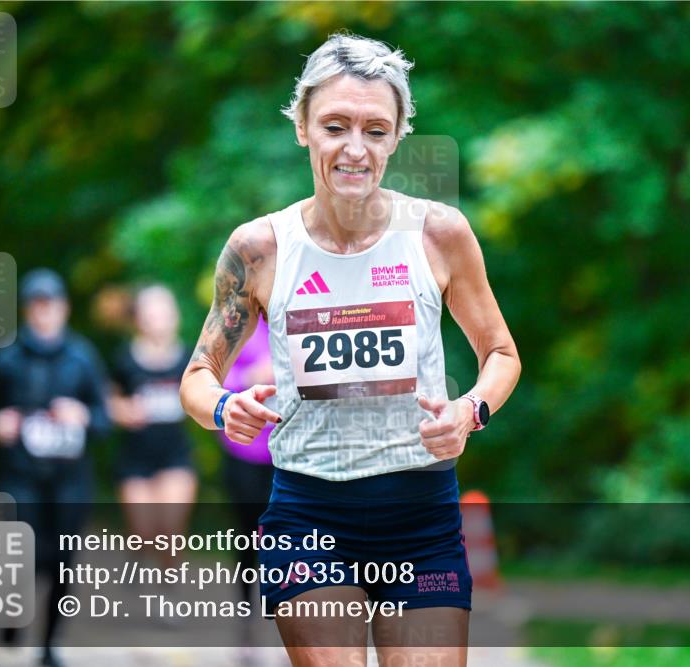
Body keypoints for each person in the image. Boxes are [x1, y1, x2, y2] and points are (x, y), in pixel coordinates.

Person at [180, 33, 521, 667]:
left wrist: (470, 411)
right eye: (335, 126)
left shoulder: (438, 233)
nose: (355, 148)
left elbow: (501, 354)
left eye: (375, 130)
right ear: (302, 127)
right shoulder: (260, 248)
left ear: (396, 138)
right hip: (308, 513)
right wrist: (225, 407)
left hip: (421, 516)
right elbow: (198, 376)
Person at [0, 268, 111, 667]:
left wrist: (82, 416)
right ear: (26, 310)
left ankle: (49, 645)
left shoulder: (83, 358)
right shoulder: (6, 358)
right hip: (21, 476)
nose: (44, 313)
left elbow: (104, 420)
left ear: (64, 309)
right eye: (36, 306)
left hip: (70, 481)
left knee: (63, 561)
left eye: (50, 305)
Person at [108, 284, 197, 568]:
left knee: (170, 532)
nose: (158, 318)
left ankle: (168, 586)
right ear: (139, 318)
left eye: (163, 311)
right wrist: (122, 410)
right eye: (151, 312)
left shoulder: (190, 359)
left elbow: (206, 397)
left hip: (175, 456)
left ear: (175, 316)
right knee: (143, 533)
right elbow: (108, 400)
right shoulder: (124, 359)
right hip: (135, 458)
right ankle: (136, 555)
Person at [214, 317, 277, 659]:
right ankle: (246, 625)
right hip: (245, 453)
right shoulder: (239, 326)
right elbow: (213, 385)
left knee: (292, 542)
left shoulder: (302, 317)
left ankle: (287, 627)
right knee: (248, 540)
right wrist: (253, 376)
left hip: (292, 455)